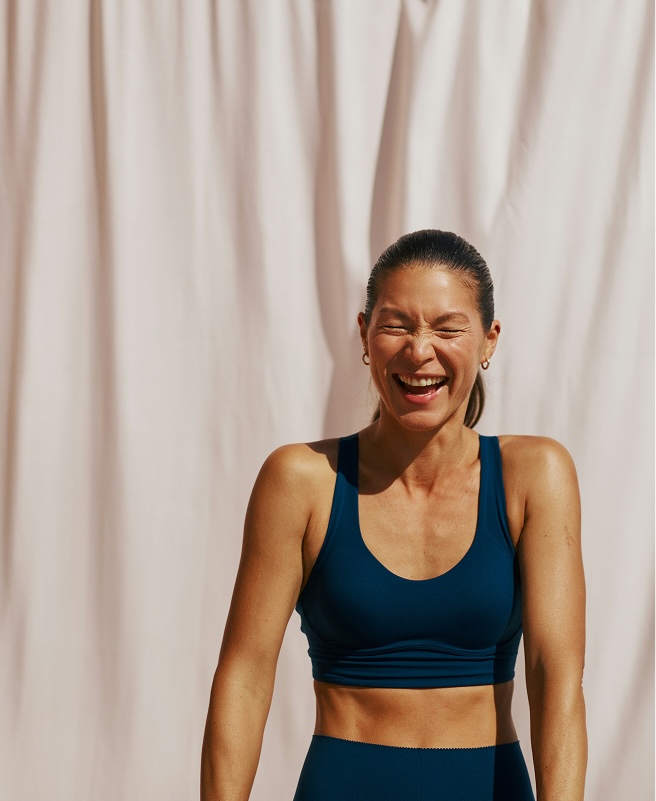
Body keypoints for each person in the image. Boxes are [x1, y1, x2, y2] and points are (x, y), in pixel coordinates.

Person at [200, 230, 587, 801]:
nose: (419, 350)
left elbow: (556, 679)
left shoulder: (535, 476)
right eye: (396, 325)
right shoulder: (301, 479)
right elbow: (244, 676)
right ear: (364, 334)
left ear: (488, 340)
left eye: (447, 328)